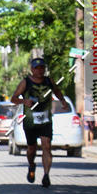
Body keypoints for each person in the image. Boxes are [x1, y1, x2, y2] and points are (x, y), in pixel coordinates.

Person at [11, 56, 68, 187]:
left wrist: (63, 101)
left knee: (46, 145)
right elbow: (13, 99)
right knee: (32, 149)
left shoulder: (49, 81)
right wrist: (24, 101)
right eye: (37, 68)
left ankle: (46, 175)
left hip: (45, 120)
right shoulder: (25, 82)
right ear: (32, 69)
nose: (39, 71)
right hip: (30, 121)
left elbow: (57, 91)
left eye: (42, 68)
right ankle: (31, 165)